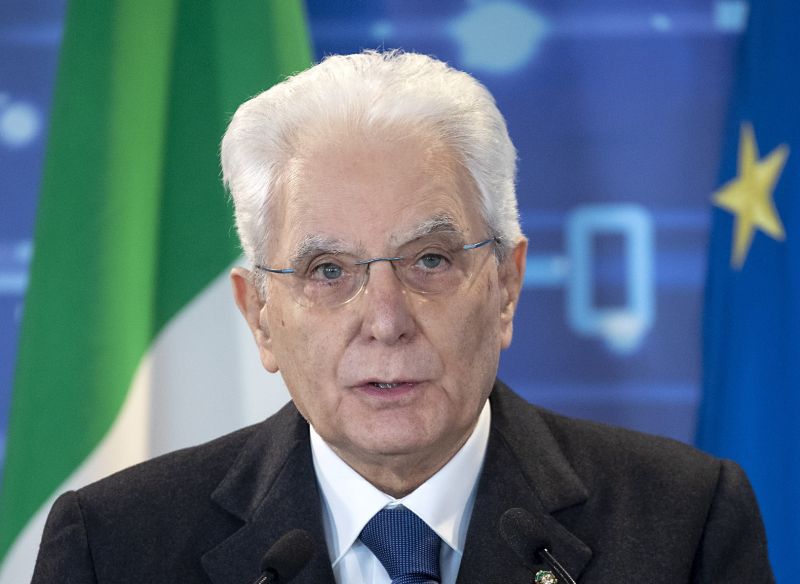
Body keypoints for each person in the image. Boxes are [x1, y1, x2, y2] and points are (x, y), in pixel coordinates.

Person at [32, 51, 773, 583]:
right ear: (260, 314)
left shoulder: (685, 525)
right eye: (328, 271)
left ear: (506, 286)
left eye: (430, 260)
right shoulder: (114, 548)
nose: (385, 321)